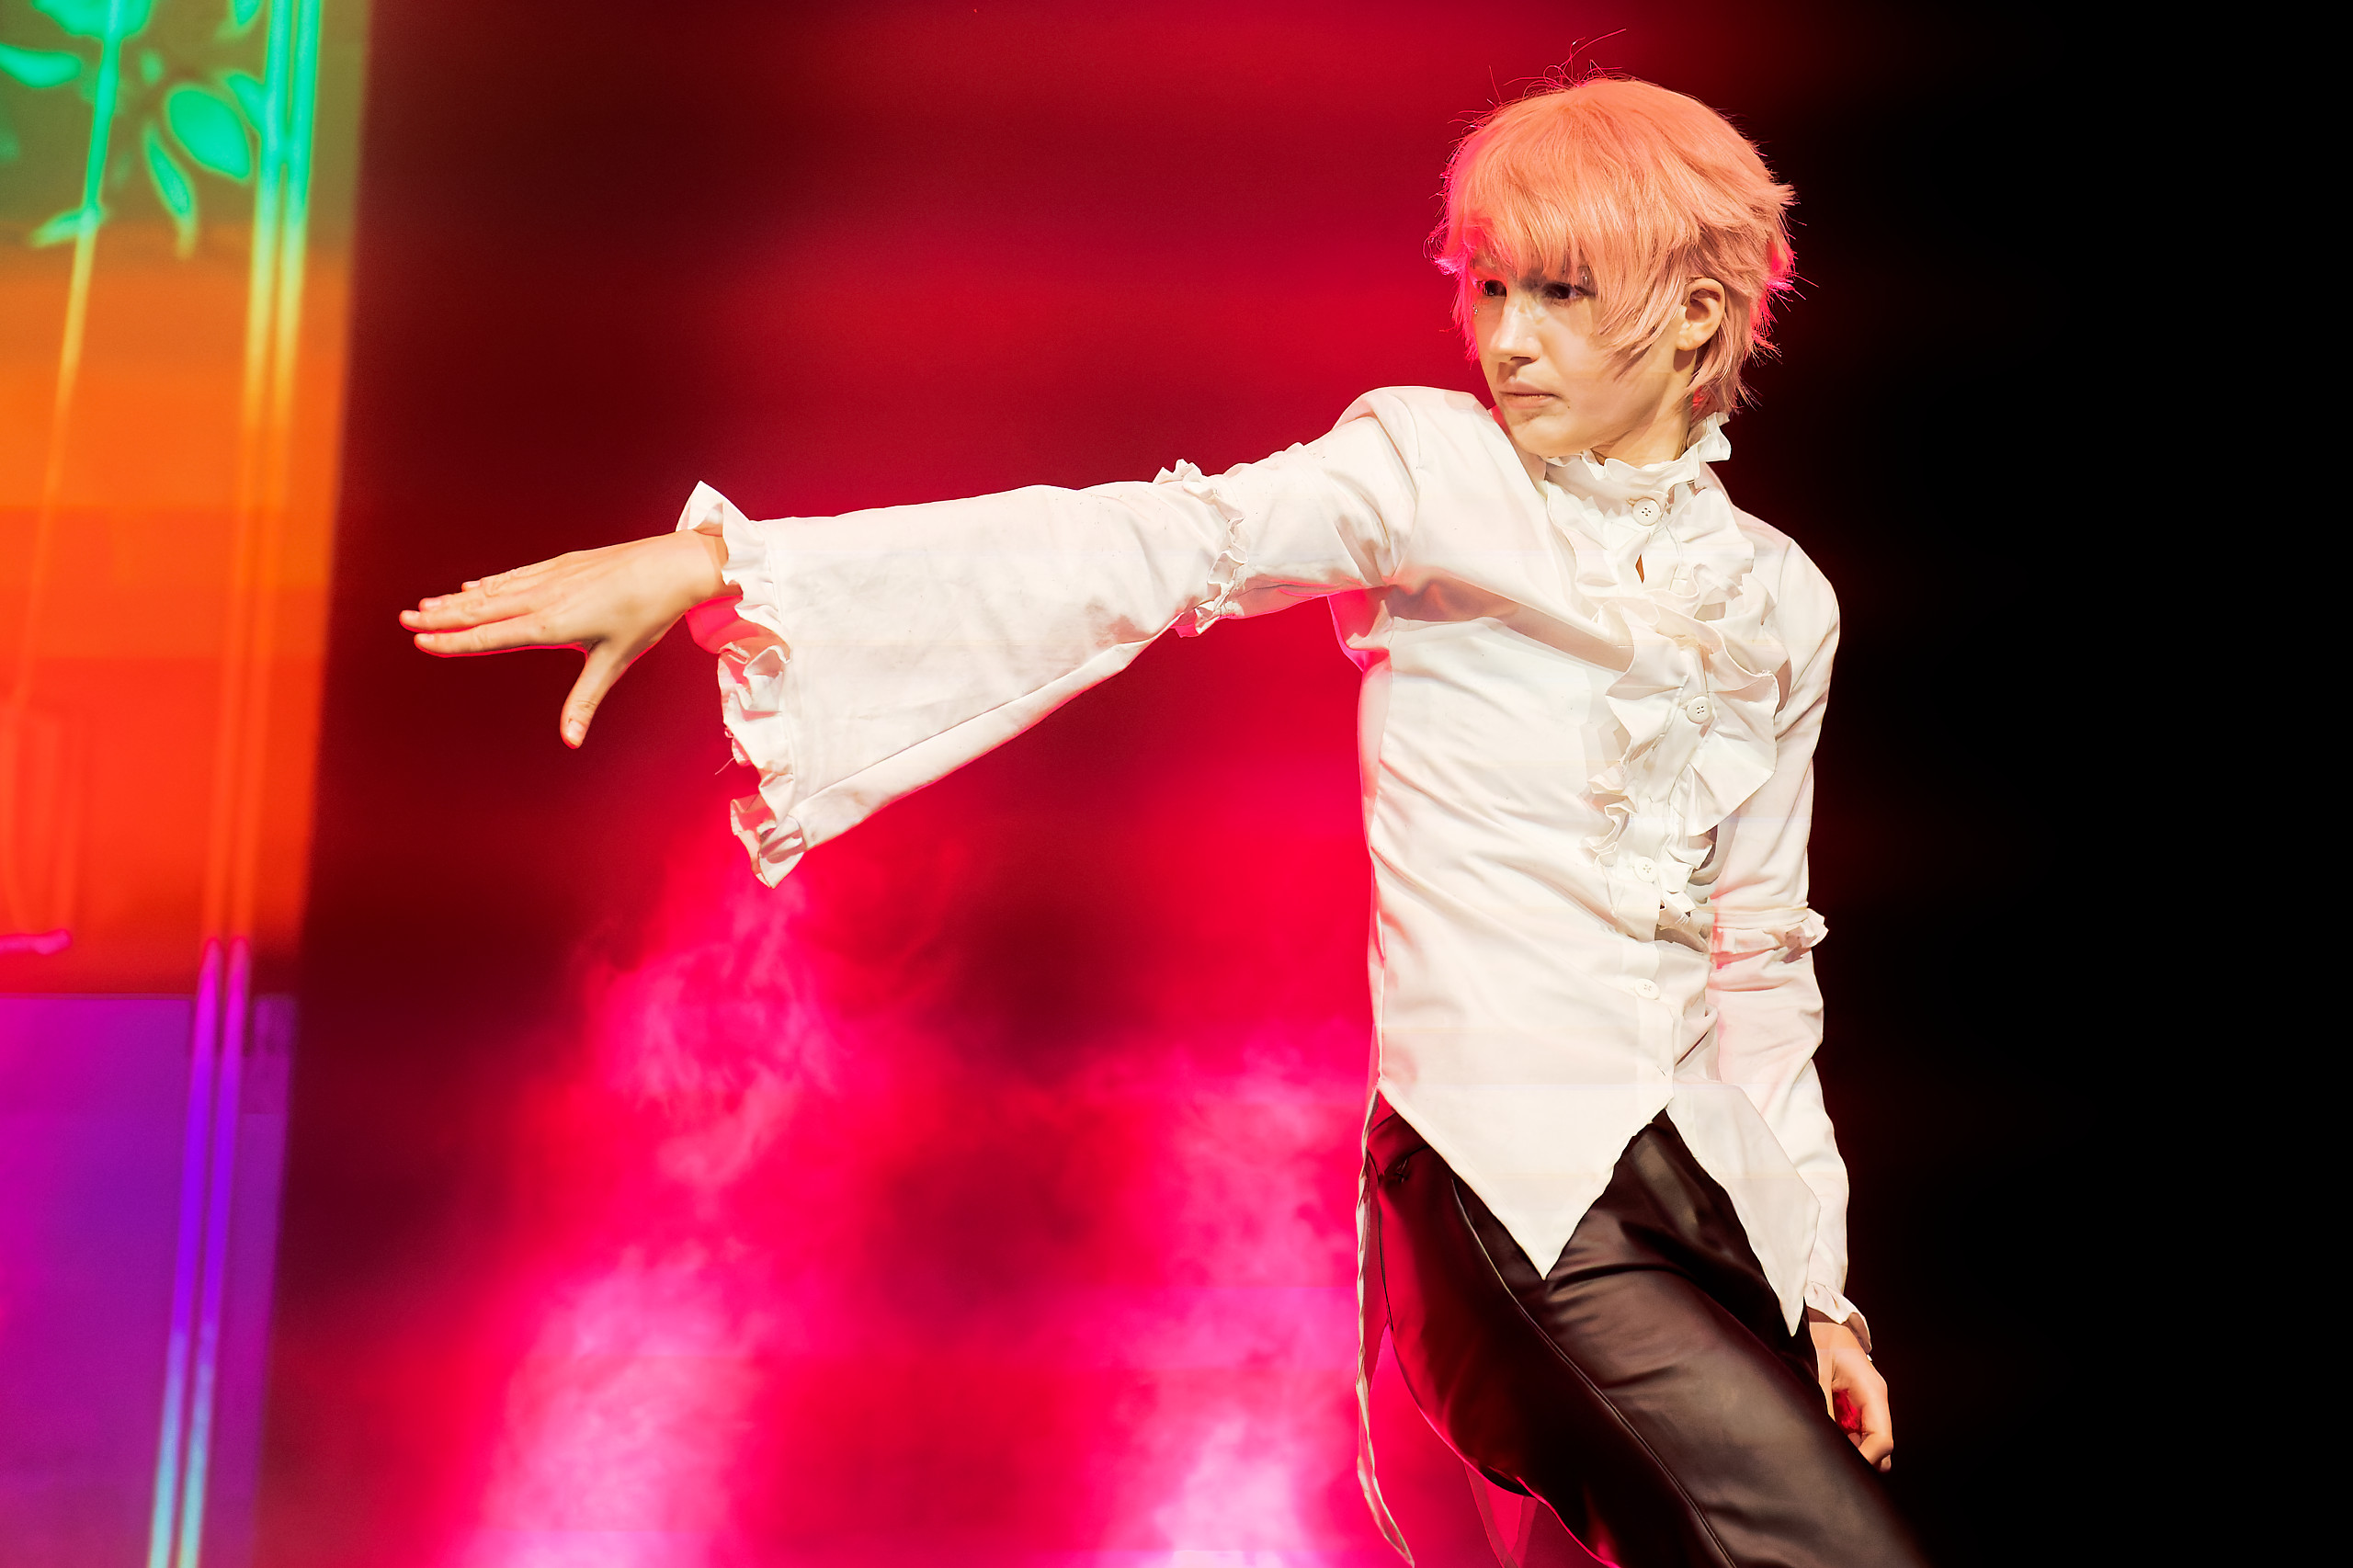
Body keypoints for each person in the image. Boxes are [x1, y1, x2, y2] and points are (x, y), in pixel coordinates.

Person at [403, 74, 1926, 1568]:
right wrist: (729, 567)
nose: (1506, 337)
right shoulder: (1435, 471)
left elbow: (1757, 962)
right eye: (1488, 286)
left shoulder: (1784, 601)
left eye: (1561, 293)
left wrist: (1819, 1289)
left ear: (1698, 319)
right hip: (1515, 1195)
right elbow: (1154, 542)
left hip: (1706, 1217)